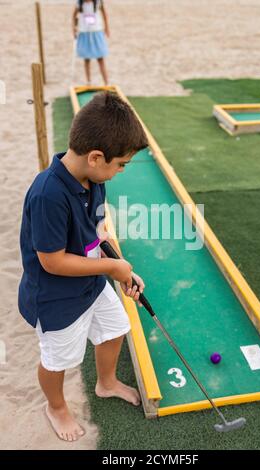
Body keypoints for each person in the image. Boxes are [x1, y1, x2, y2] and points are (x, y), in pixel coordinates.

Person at [18, 92, 149, 442]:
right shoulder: (48, 194)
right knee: (57, 360)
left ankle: (106, 383)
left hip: (91, 283)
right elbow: (53, 261)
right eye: (121, 163)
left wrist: (118, 263)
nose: (121, 171)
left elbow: (98, 228)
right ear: (95, 156)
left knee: (115, 327)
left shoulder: (94, 180)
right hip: (56, 297)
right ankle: (56, 406)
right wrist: (111, 269)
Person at [73, 0, 110, 85]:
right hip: (84, 32)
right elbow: (74, 16)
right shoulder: (80, 3)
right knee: (86, 59)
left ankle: (106, 82)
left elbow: (105, 15)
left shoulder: (98, 2)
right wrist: (74, 28)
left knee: (100, 58)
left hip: (96, 32)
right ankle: (88, 81)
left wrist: (107, 27)